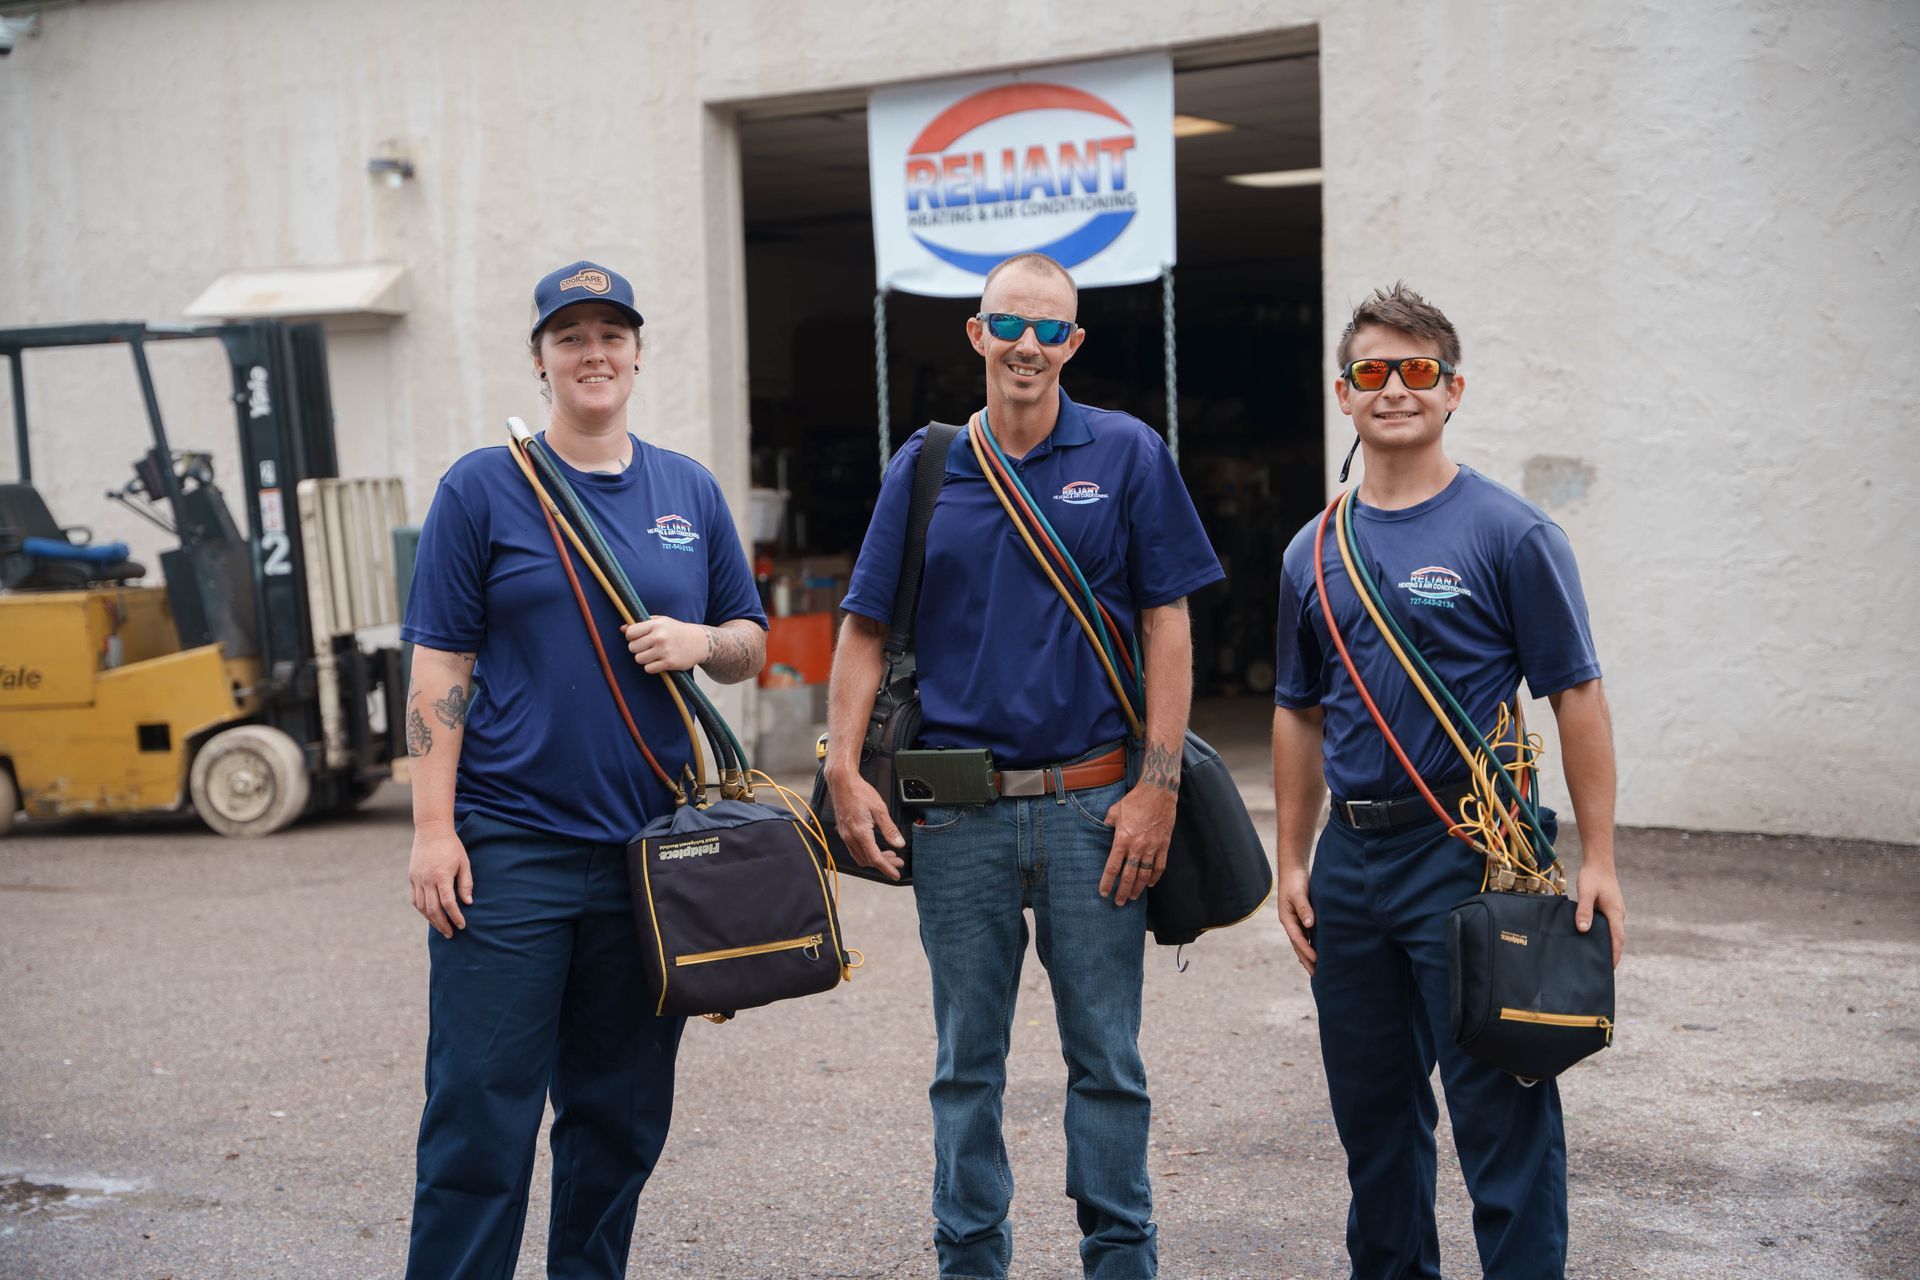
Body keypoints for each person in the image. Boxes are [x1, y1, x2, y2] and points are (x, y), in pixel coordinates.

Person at [826, 252, 1224, 1280]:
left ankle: (1120, 1262)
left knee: (1108, 1063)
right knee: (967, 1068)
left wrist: (1160, 784)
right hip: (960, 820)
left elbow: (1168, 624)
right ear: (976, 332)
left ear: (1075, 345)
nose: (1028, 347)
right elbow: (864, 631)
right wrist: (838, 770)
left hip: (1100, 808)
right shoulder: (924, 468)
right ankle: (970, 1262)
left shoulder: (1129, 453)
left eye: (1050, 330)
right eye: (1011, 324)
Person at [400, 259, 767, 1279]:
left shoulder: (686, 489)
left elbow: (751, 639)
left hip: (650, 857)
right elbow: (440, 665)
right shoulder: (482, 488)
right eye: (571, 337)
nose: (593, 352)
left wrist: (701, 640)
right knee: (479, 1113)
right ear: (540, 361)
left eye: (611, 334)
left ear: (639, 355)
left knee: (616, 1119)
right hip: (508, 852)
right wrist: (434, 827)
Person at [1270, 282, 1627, 1279]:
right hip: (1351, 860)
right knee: (1374, 1120)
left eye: (1417, 370)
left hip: (1470, 856)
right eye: (1372, 371)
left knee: (1499, 1113)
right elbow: (1298, 709)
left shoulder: (1511, 533)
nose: (1394, 388)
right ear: (1345, 393)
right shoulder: (1312, 550)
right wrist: (1292, 859)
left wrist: (1598, 858)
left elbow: (1578, 694)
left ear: (1453, 388)